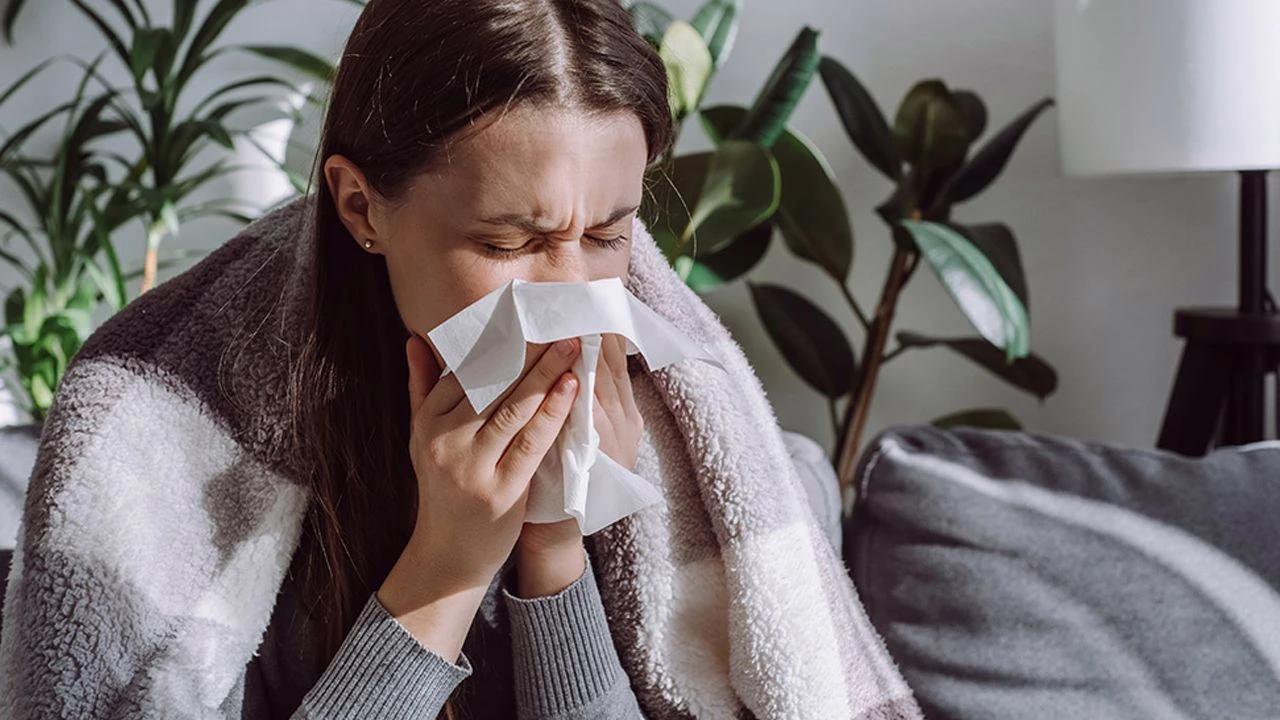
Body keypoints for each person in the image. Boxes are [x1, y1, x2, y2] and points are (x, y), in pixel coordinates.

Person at [0, 1, 923, 718]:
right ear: (361, 209)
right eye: (509, 243)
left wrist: (553, 543)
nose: (571, 298)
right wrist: (446, 566)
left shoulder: (656, 408)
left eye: (607, 234)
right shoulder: (173, 429)